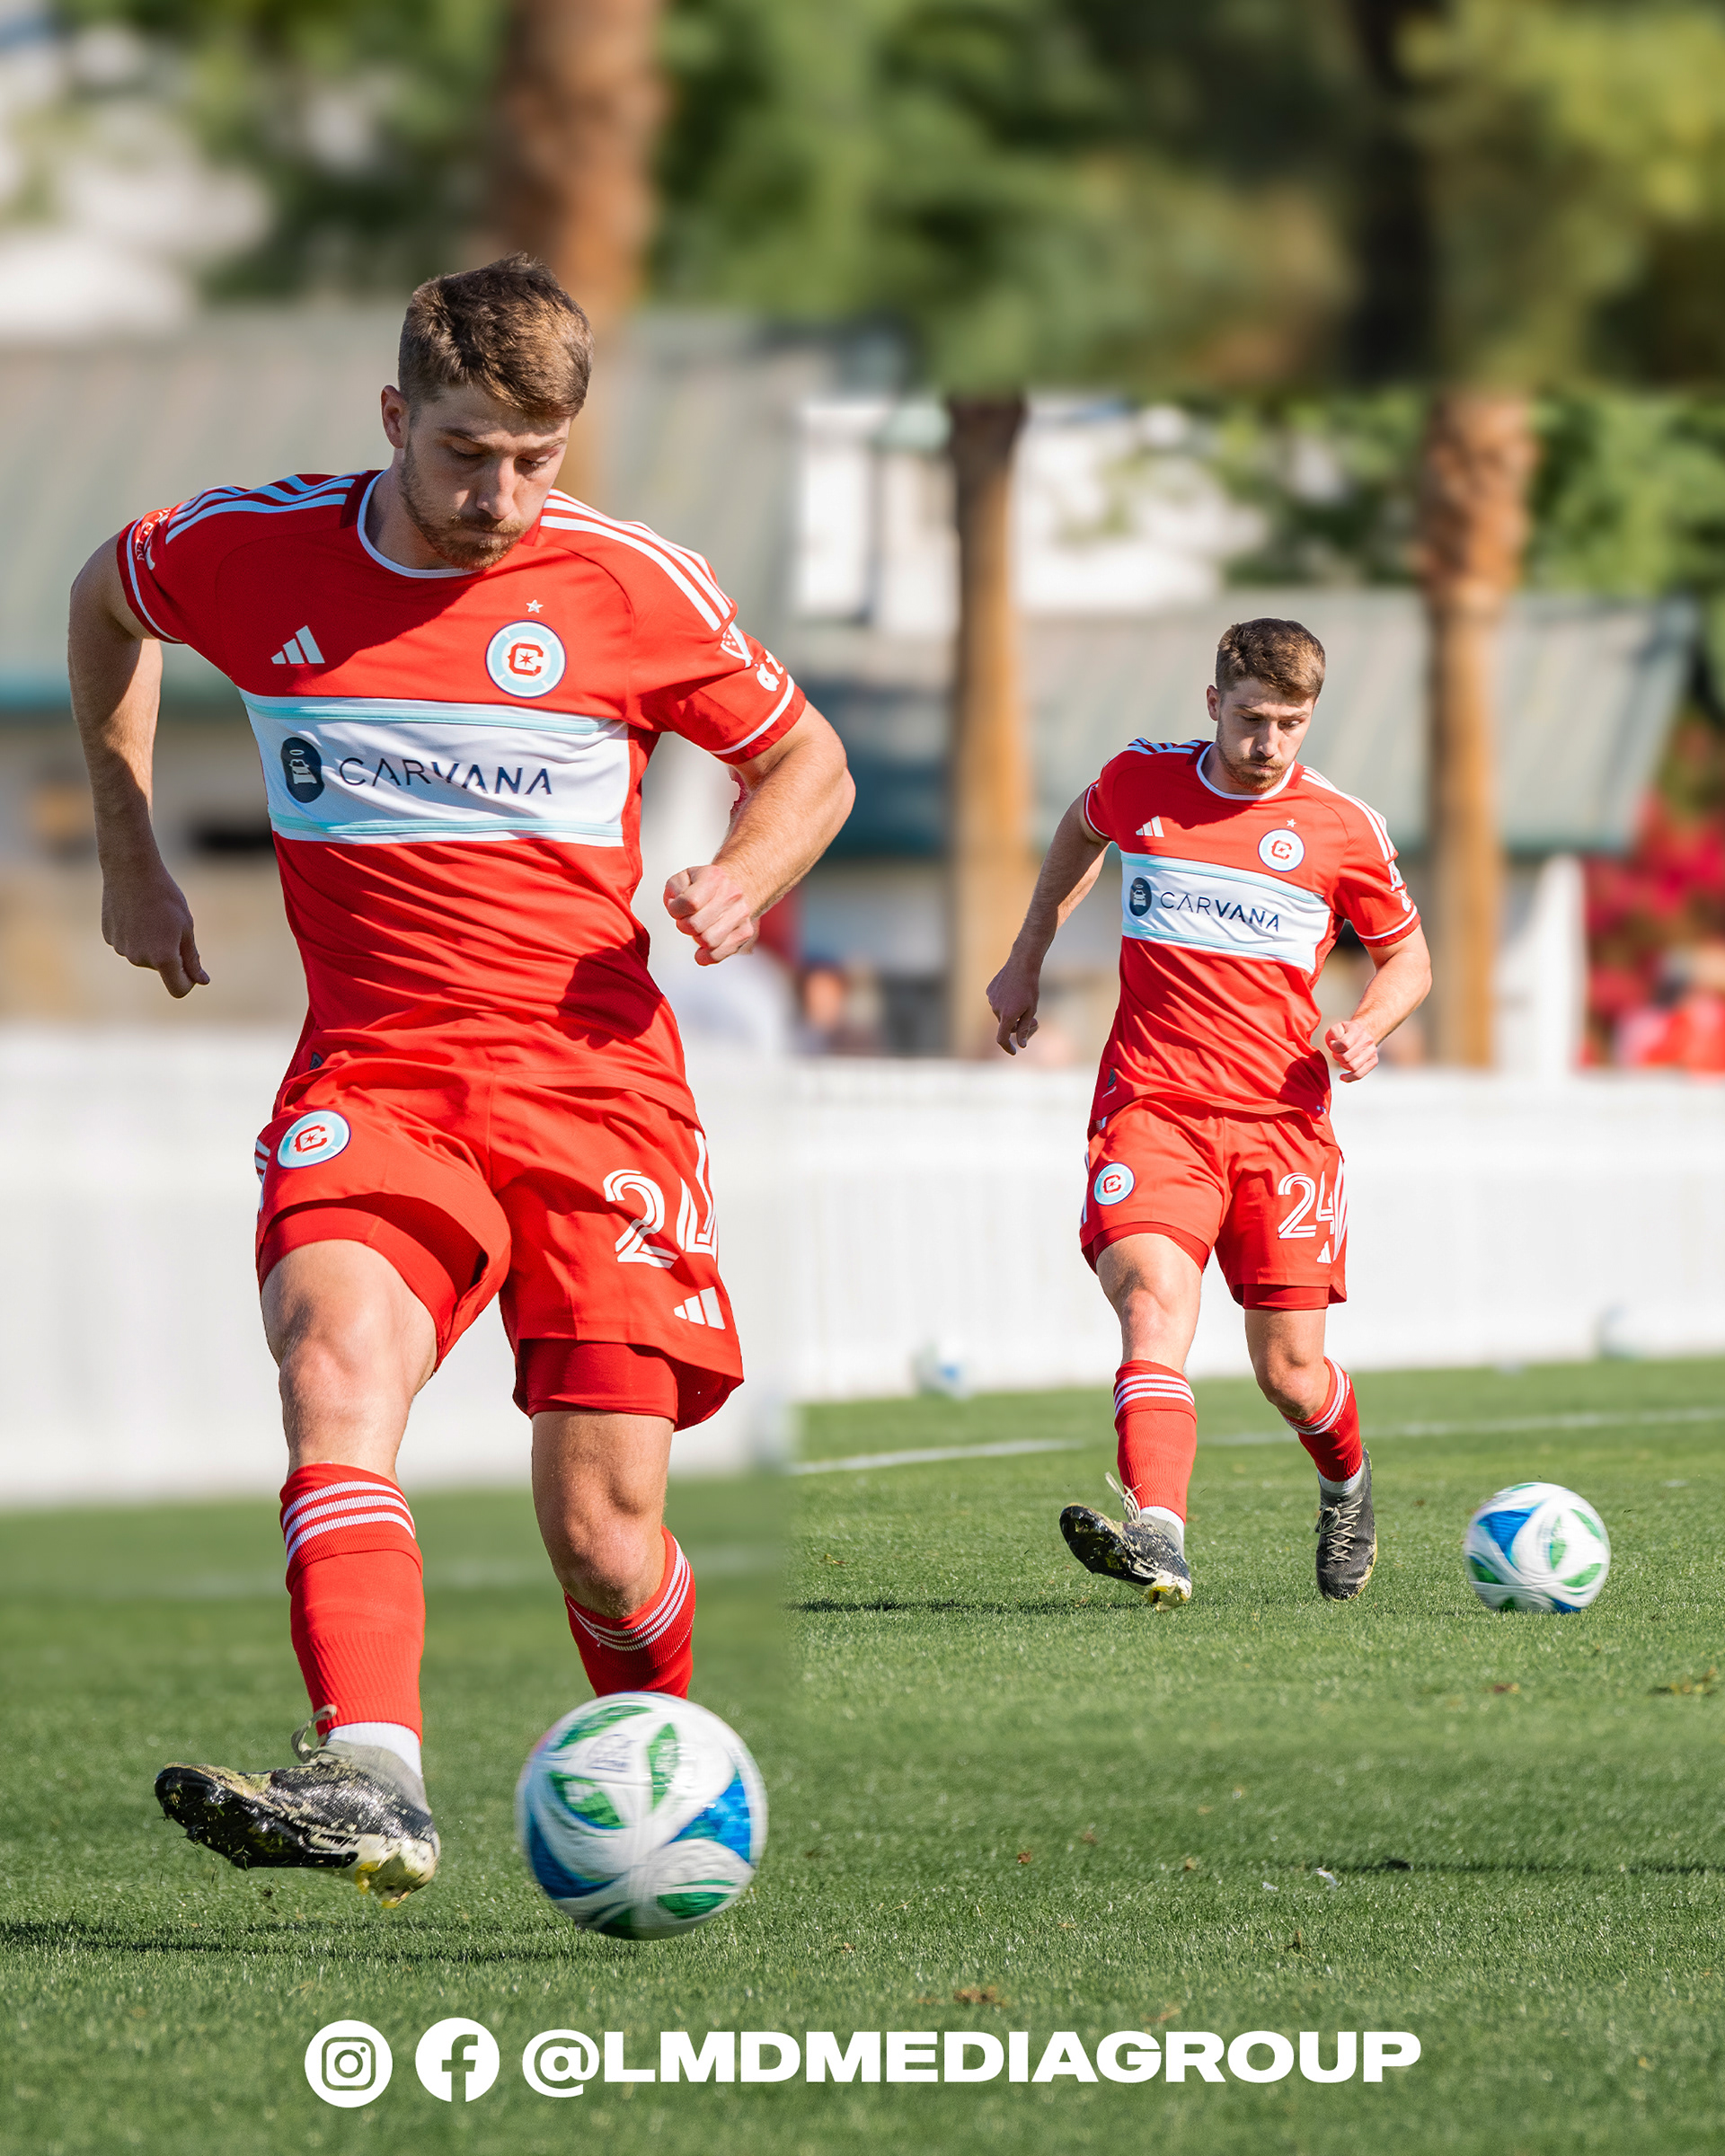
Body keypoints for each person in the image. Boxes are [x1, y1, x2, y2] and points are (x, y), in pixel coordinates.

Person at [67, 255, 853, 1904]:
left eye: (535, 461)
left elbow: (806, 759)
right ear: (392, 416)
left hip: (596, 1093)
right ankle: (372, 1775)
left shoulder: (636, 587)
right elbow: (105, 598)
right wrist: (130, 850)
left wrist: (746, 877)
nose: (500, 496)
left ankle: (665, 1753)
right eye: (465, 453)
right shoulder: (245, 551)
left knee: (604, 1536)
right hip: (378, 1076)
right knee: (333, 1365)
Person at [986, 618, 1429, 1608]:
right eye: (1252, 718)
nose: (1269, 742)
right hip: (1154, 1108)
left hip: (1282, 1126)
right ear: (1213, 702)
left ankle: (1346, 1483)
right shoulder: (1142, 780)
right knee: (1151, 1303)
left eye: (1291, 723)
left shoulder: (1342, 828)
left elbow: (1409, 957)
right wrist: (1026, 960)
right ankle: (1159, 1532)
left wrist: (1368, 1026)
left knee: (1291, 1372)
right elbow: (1080, 831)